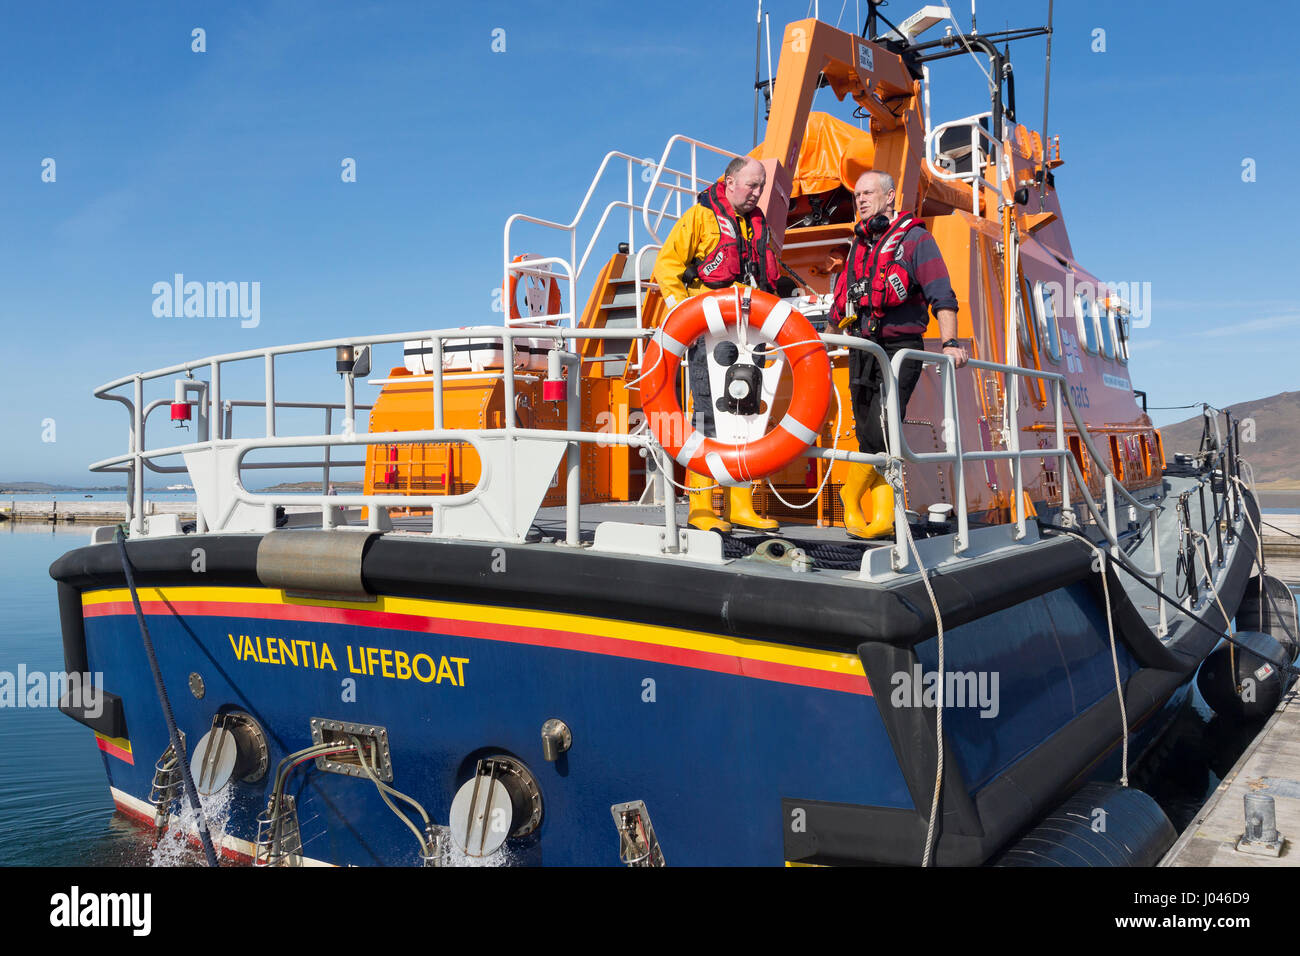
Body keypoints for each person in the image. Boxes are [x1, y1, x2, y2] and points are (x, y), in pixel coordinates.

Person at [830, 169, 968, 539]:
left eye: (867, 193)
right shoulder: (858, 247)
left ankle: (850, 492)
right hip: (863, 349)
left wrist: (951, 343)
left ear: (890, 197)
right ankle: (883, 516)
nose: (859, 199)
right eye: (856, 194)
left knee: (884, 427)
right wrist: (825, 342)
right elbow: (841, 301)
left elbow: (942, 293)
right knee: (866, 432)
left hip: (900, 349)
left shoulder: (916, 240)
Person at [653, 156, 783, 533]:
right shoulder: (699, 218)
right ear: (728, 182)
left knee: (746, 417)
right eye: (751, 185)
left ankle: (740, 503)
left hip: (750, 336)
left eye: (760, 186)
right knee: (707, 417)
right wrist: (684, 318)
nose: (757, 192)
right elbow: (667, 266)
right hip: (707, 337)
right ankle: (702, 505)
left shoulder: (758, 226)